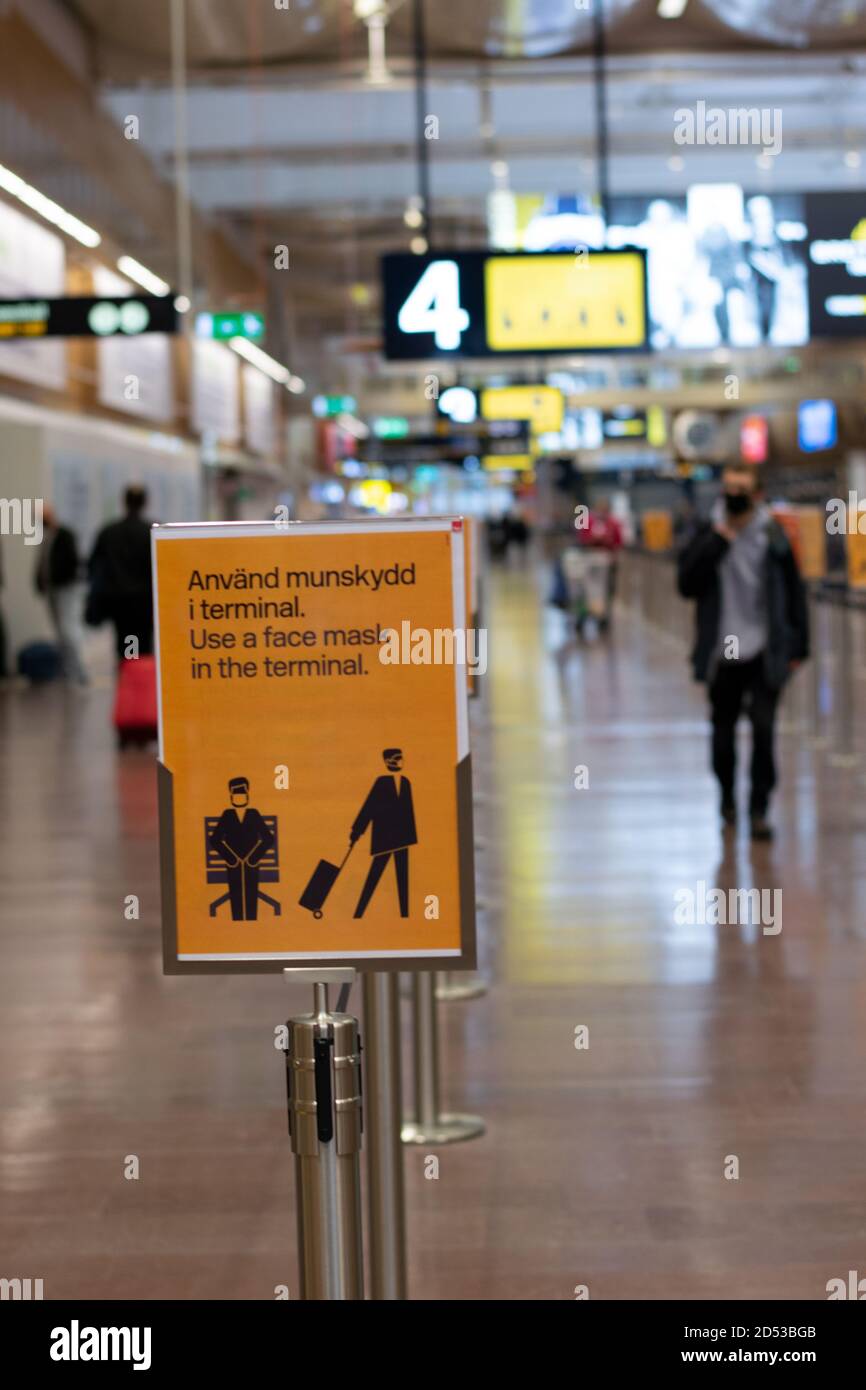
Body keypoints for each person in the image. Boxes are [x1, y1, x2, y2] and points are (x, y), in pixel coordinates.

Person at [677, 463, 809, 841]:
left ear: (757, 494)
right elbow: (686, 584)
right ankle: (727, 800)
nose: (734, 496)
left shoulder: (772, 533)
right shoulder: (708, 530)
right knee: (722, 729)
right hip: (722, 651)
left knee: (765, 729)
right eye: (729, 488)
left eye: (742, 490)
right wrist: (722, 537)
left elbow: (793, 588)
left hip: (765, 650)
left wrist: (800, 645)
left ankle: (759, 809)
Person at [88, 485, 154, 660]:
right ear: (144, 503)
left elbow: (94, 566)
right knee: (144, 644)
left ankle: (128, 674)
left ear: (124, 502)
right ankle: (140, 677)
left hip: (118, 601)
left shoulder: (109, 532)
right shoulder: (152, 532)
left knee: (126, 643)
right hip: (145, 601)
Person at [350, 748, 417, 918]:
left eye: (401, 758)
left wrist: (410, 836)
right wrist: (357, 831)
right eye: (396, 758)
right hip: (384, 839)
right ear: (388, 762)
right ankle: (359, 912)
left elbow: (409, 813)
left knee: (403, 879)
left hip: (403, 839)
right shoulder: (381, 782)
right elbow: (369, 808)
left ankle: (405, 914)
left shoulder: (406, 782)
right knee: (374, 876)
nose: (400, 761)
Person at [209, 777, 276, 921]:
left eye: (242, 792)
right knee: (235, 890)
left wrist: (253, 858)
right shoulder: (227, 815)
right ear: (231, 795)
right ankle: (237, 920)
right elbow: (214, 839)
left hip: (252, 863)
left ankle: (251, 919)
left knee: (251, 889)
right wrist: (231, 858)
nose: (240, 796)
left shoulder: (253, 814)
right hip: (233, 864)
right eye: (236, 792)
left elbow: (268, 838)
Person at [34, 506, 88, 685]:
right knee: (59, 630)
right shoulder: (45, 537)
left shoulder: (65, 535)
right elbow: (42, 562)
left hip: (65, 588)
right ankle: (65, 669)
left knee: (67, 629)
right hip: (52, 589)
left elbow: (72, 561)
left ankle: (78, 670)